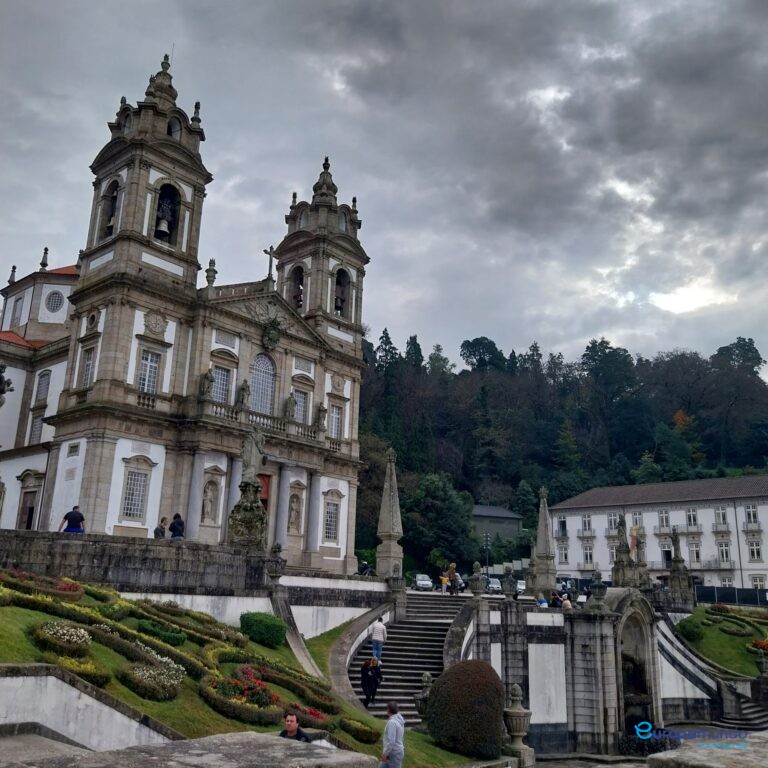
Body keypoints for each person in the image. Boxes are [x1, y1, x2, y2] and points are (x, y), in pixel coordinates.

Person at [380, 701, 405, 768]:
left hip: (393, 754)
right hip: (396, 752)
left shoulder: (392, 722)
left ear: (389, 710)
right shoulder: (399, 720)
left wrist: (386, 753)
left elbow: (391, 741)